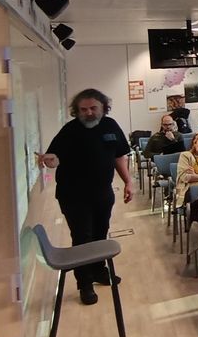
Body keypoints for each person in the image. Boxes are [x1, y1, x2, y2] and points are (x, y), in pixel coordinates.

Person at [38, 89, 133, 305]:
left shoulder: (111, 126)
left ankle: (99, 271)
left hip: (102, 192)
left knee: (100, 234)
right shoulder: (69, 131)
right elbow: (54, 158)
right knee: (82, 238)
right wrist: (50, 161)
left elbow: (119, 156)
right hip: (73, 195)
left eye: (93, 108)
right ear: (76, 111)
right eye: (83, 109)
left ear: (103, 108)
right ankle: (85, 284)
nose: (88, 113)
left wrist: (128, 181)